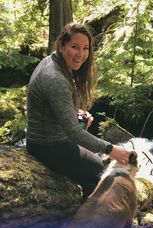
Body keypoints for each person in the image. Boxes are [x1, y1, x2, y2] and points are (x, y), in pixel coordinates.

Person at [26, 22, 131, 200]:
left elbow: (55, 109)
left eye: (85, 48)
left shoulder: (55, 62)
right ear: (61, 46)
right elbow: (73, 132)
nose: (81, 54)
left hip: (51, 140)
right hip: (48, 147)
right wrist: (110, 149)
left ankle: (83, 211)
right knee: (105, 175)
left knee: (95, 173)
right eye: (75, 47)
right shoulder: (54, 78)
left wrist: (76, 114)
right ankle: (88, 220)